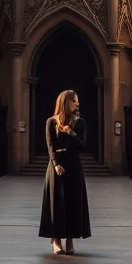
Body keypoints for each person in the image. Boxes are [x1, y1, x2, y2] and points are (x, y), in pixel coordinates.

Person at [38, 89, 91, 254]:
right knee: (57, 202)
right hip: (57, 164)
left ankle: (70, 239)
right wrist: (55, 164)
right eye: (74, 101)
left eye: (77, 101)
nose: (77, 103)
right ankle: (56, 240)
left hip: (74, 164)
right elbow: (50, 145)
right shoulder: (51, 122)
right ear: (65, 102)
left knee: (73, 201)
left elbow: (82, 145)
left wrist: (71, 133)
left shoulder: (80, 123)